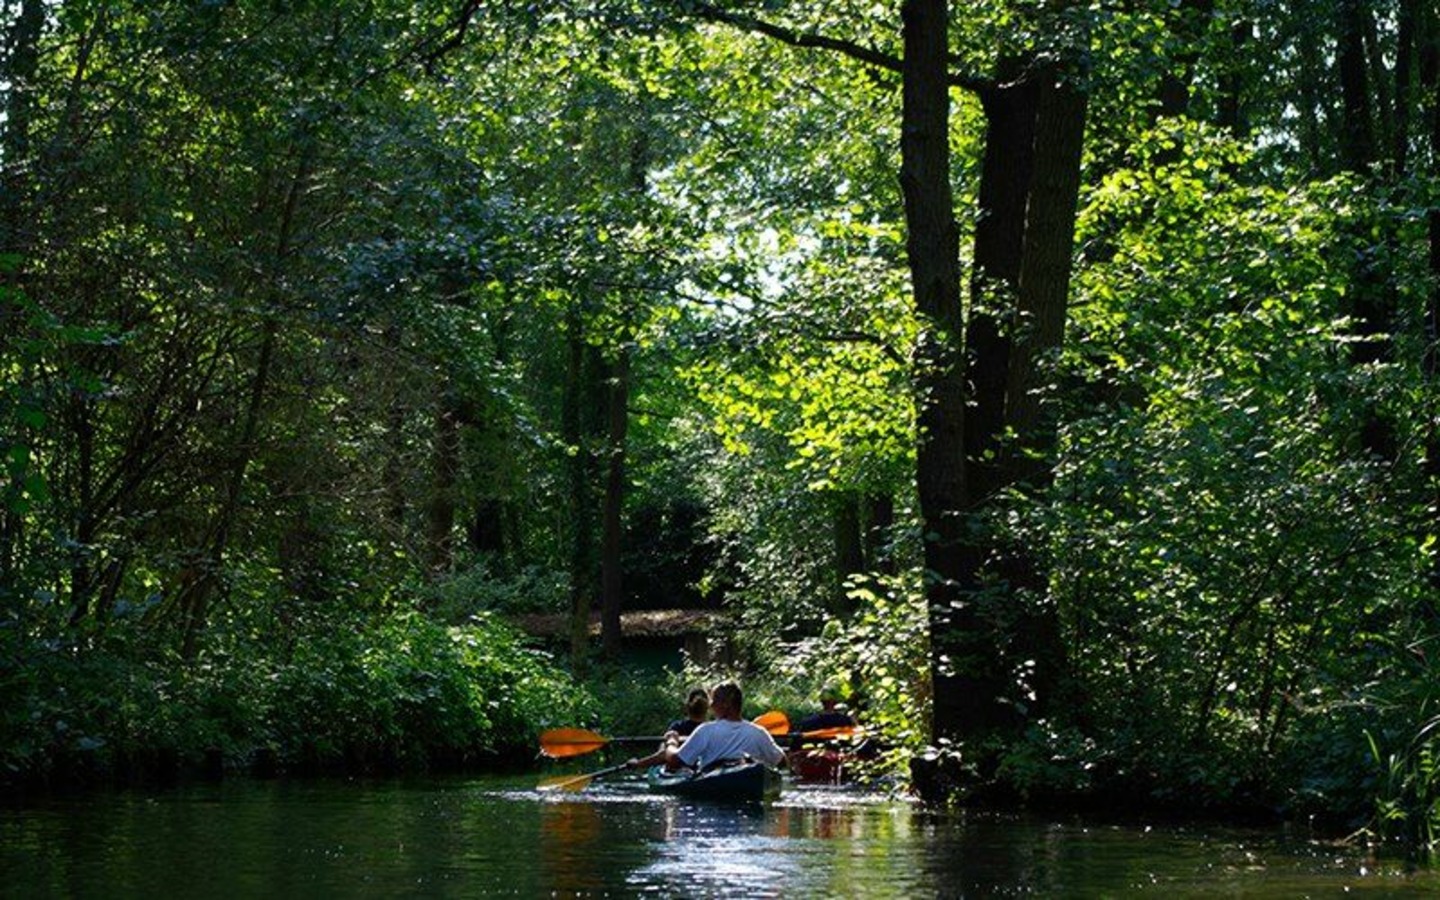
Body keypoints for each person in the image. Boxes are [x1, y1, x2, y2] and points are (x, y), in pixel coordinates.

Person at [627, 682, 785, 772]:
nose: (711, 706)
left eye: (713, 701)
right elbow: (781, 762)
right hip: (746, 776)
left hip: (714, 782)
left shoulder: (706, 730)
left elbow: (675, 761)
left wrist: (672, 742)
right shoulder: (759, 732)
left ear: (725, 704)